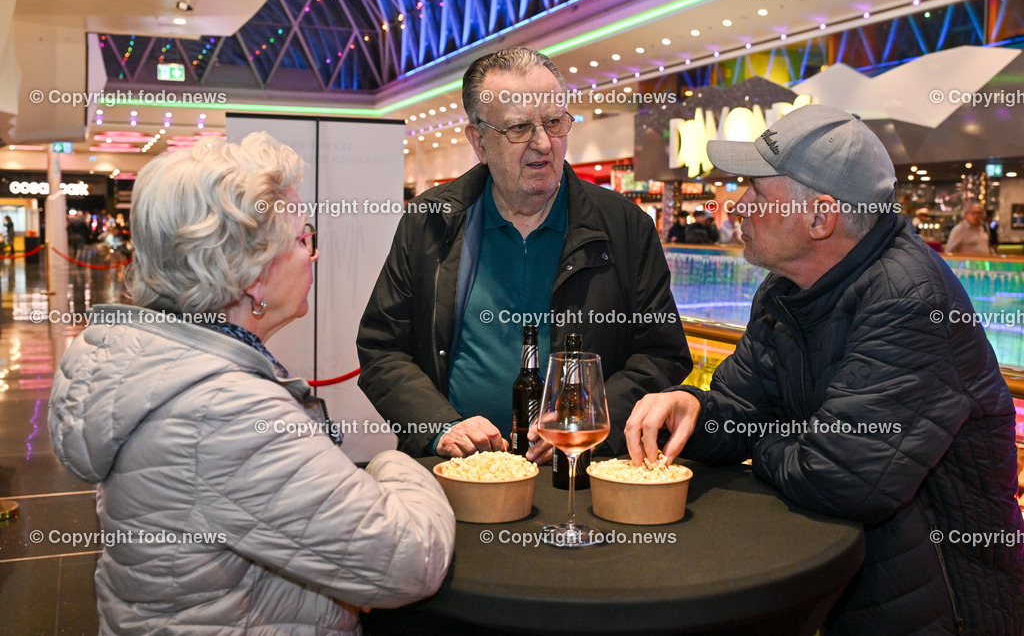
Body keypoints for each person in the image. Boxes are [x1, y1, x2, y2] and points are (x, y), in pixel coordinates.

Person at [625, 105, 1024, 634]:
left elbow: (841, 478)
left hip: (935, 605)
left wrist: (763, 437)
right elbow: (742, 409)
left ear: (820, 217)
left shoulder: (909, 300)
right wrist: (694, 408)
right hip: (847, 585)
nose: (736, 205)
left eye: (757, 192)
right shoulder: (786, 291)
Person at [48, 134, 455, 633]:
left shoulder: (168, 371)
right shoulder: (224, 409)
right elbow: (410, 560)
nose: (313, 255)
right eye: (303, 239)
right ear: (252, 277)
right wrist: (397, 464)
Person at [357, 46, 690, 459]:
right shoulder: (429, 220)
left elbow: (661, 354)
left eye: (554, 122)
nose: (543, 144)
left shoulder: (624, 227)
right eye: (518, 129)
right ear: (478, 141)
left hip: (578, 469)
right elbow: (382, 348)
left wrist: (584, 419)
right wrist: (438, 425)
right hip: (458, 471)